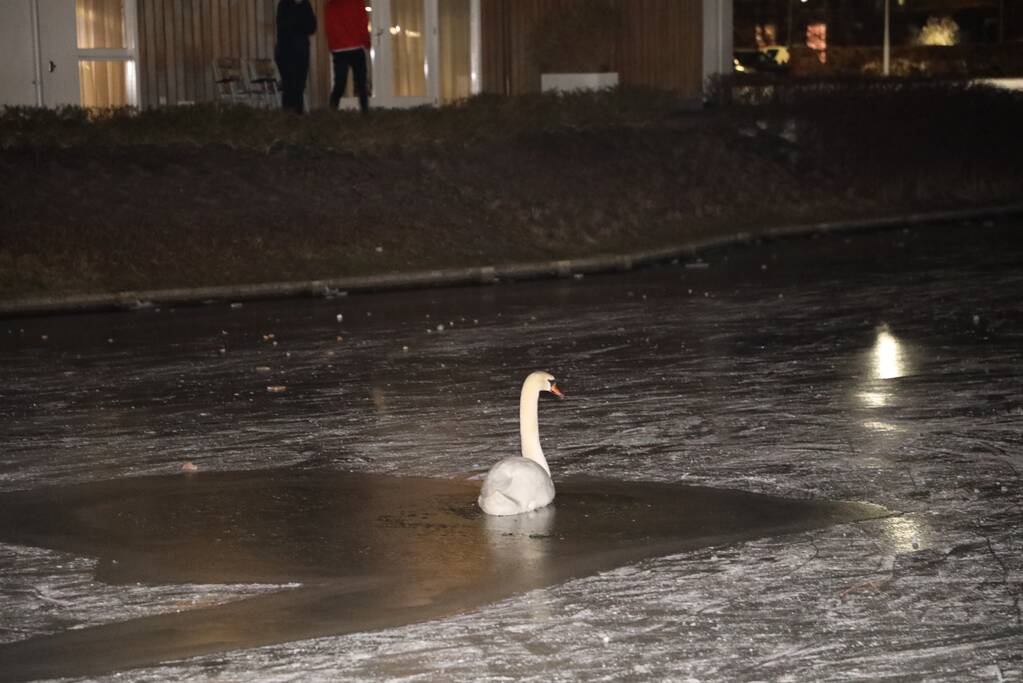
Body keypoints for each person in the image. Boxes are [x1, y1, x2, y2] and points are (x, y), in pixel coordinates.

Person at [325, 0, 371, 113]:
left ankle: (332, 111)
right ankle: (365, 112)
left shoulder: (331, 5)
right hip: (356, 47)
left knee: (339, 84)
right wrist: (366, 42)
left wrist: (332, 45)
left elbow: (329, 27)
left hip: (339, 49)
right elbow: (363, 23)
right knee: (361, 83)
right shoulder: (357, 2)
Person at [274, 0, 317, 114]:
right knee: (289, 86)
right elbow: (283, 27)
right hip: (285, 52)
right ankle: (288, 116)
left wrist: (299, 23)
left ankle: (297, 116)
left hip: (302, 52)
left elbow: (312, 27)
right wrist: (301, 22)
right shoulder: (284, 4)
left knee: (299, 87)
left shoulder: (306, 4)